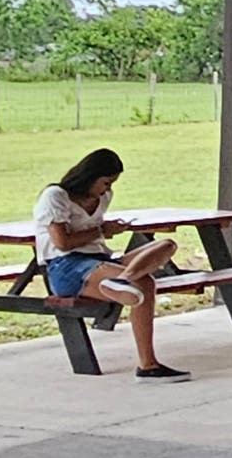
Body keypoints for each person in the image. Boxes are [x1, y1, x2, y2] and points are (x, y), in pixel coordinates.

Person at [32, 147, 187, 381]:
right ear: (89, 176)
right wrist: (102, 231)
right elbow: (62, 243)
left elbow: (96, 234)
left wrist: (109, 231)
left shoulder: (103, 198)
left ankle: (123, 279)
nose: (107, 189)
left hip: (101, 258)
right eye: (105, 183)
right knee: (145, 283)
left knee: (166, 245)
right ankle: (148, 364)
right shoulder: (55, 196)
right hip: (67, 266)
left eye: (112, 184)